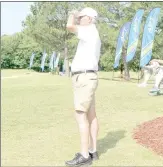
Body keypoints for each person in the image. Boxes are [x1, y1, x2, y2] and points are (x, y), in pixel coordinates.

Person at [65, 7, 101, 166]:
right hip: (89, 76)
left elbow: (69, 26)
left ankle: (84, 155)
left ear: (90, 19)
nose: (79, 19)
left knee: (80, 115)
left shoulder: (89, 30)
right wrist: (77, 15)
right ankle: (93, 150)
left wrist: (72, 14)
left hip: (84, 77)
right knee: (91, 115)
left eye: (82, 16)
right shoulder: (92, 32)